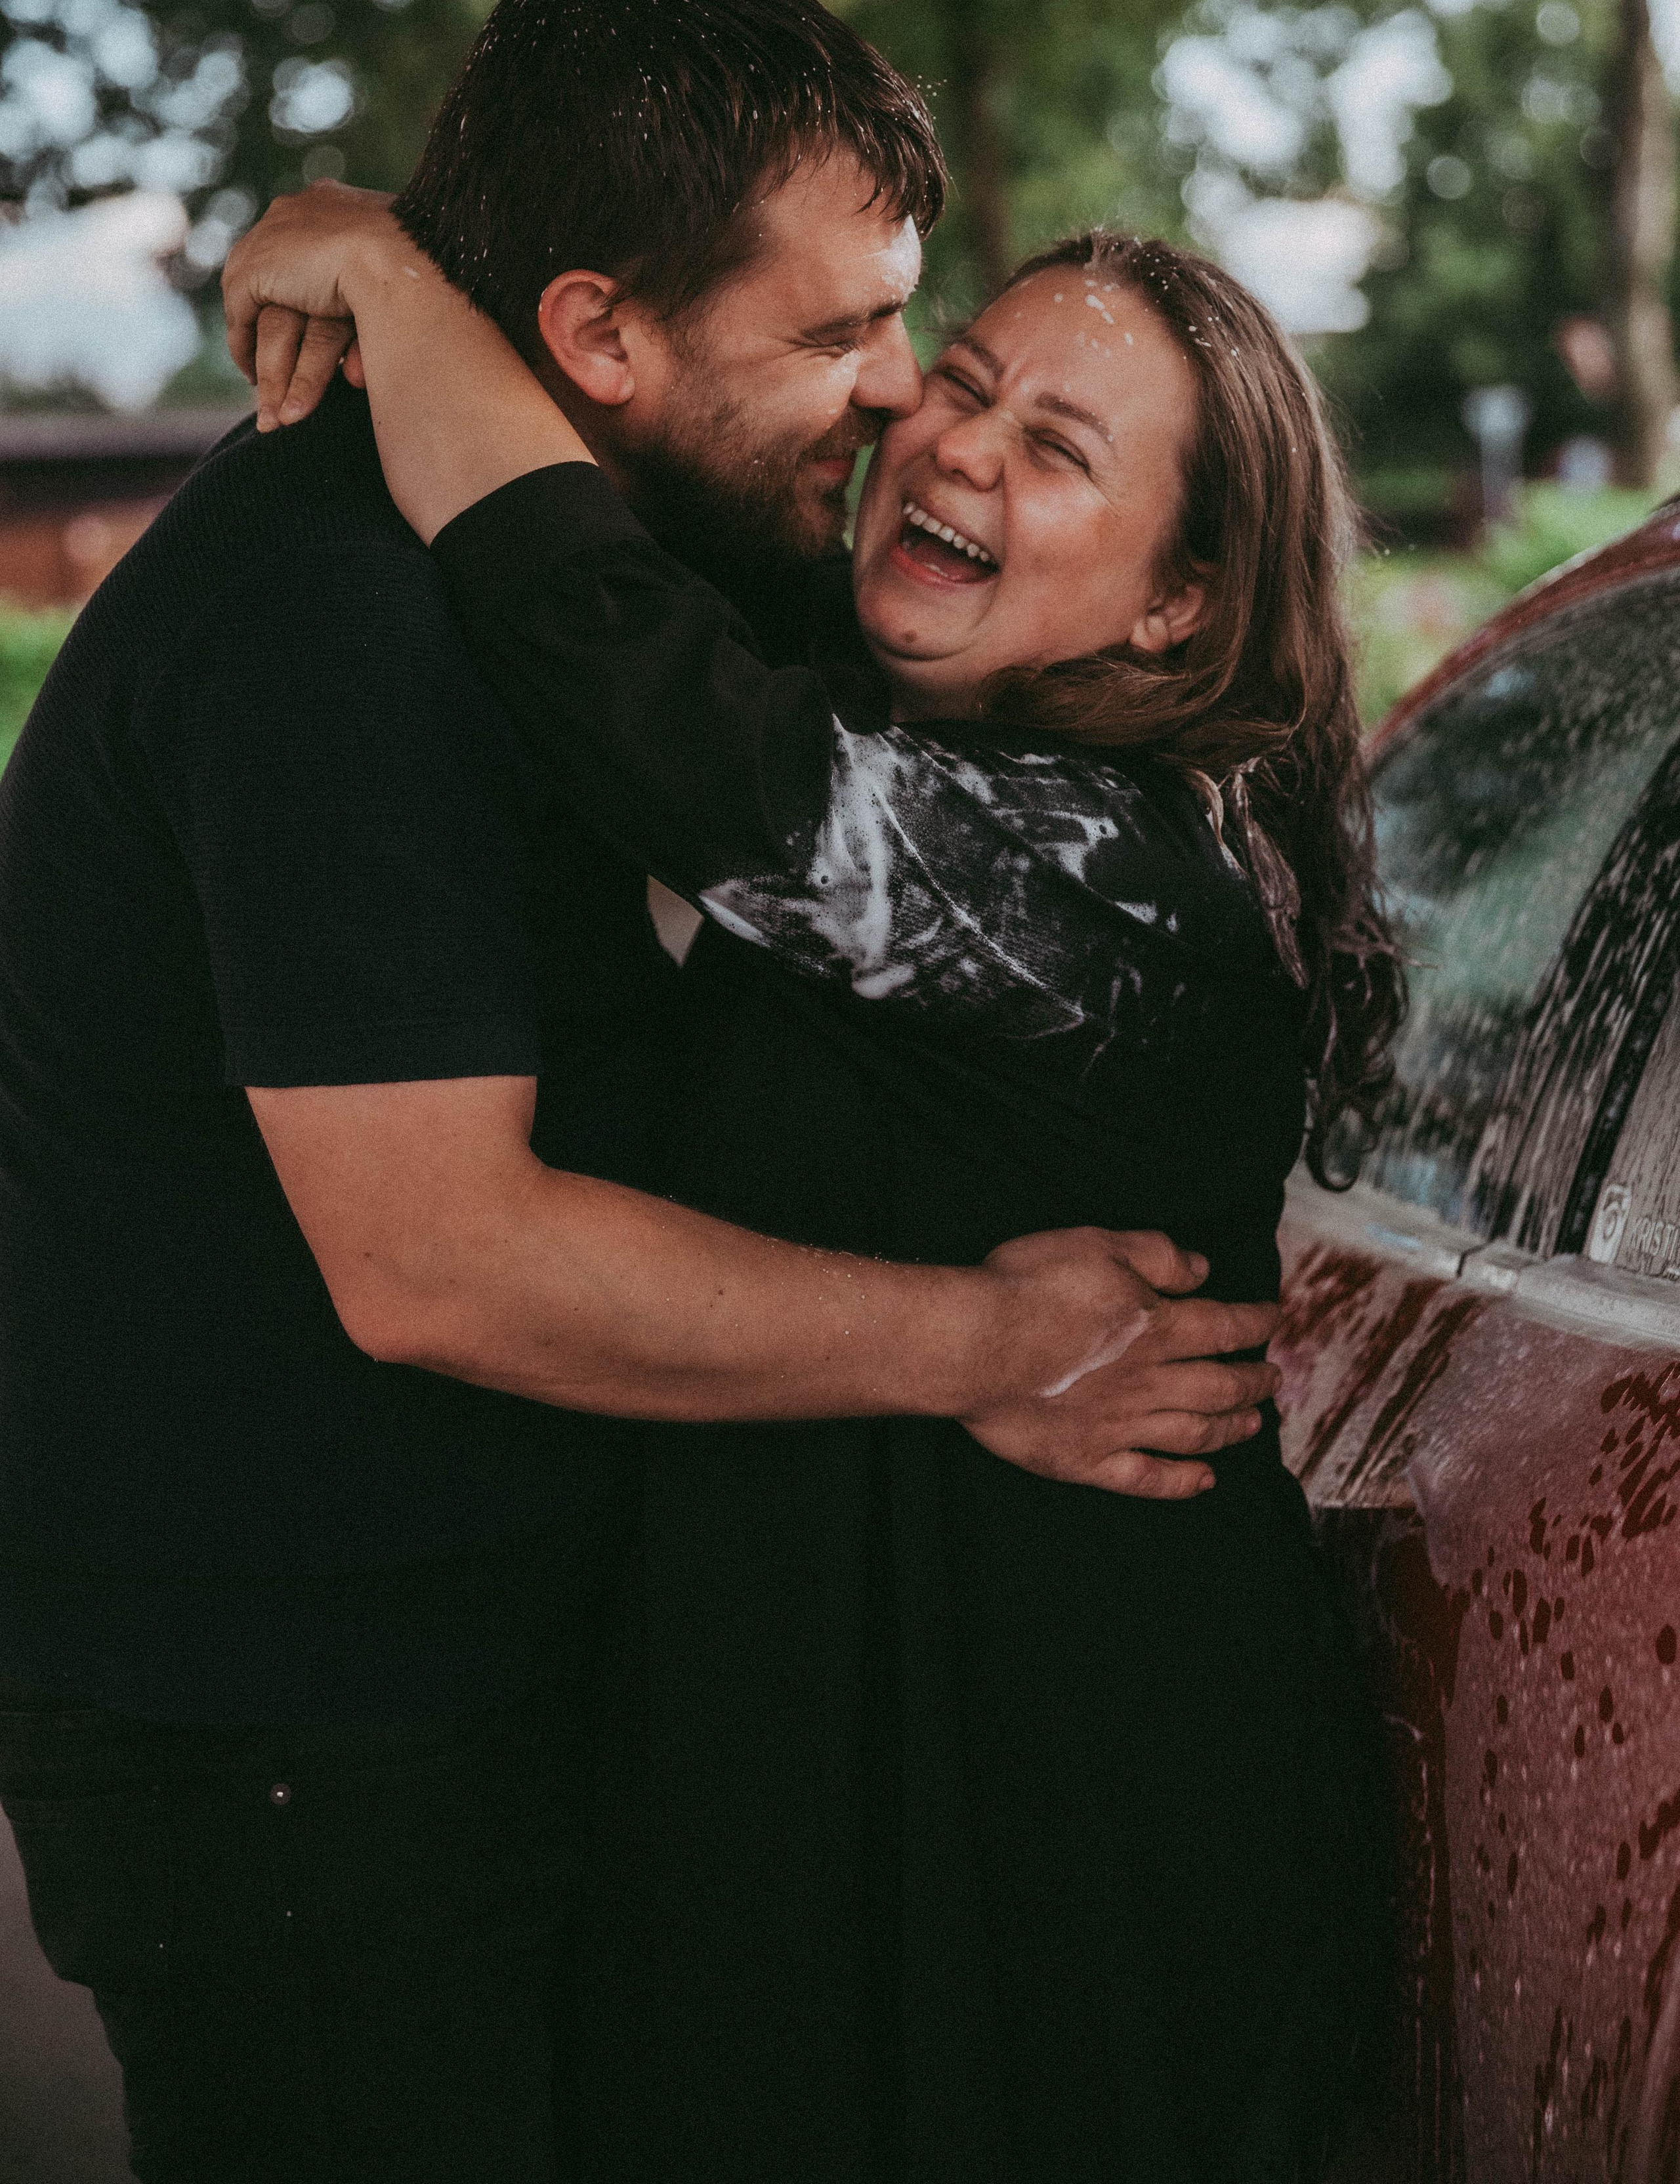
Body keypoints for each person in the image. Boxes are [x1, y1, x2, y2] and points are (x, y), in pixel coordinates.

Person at [0, 0, 1278, 2184]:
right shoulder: (343, 628)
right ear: (594, 335)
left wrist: (387, 266)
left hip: (511, 1678)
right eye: (856, 335)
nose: (899, 403)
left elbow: (687, 697)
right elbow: (442, 1268)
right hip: (297, 1726)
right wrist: (982, 1338)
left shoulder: (678, 569)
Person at [225, 171, 1402, 2179]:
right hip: (840, 1737)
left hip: (1050, 1797)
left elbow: (646, 691)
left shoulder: (1138, 874)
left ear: (1177, 603)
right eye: (960, 385)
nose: (950, 444)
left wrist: (388, 278)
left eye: (1057, 450)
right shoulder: (929, 731)